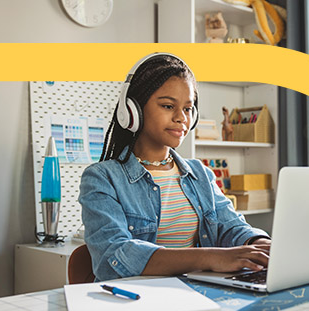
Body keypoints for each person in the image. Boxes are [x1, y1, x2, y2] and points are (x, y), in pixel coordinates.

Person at [79, 53, 271, 281]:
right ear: (133, 110)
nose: (182, 118)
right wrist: (209, 257)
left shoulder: (199, 174)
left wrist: (260, 244)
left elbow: (230, 226)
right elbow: (114, 255)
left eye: (189, 109)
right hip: (135, 301)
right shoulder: (102, 178)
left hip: (197, 294)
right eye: (168, 106)